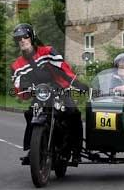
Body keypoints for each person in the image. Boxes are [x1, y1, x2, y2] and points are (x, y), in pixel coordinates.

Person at [11, 23, 85, 165]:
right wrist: (25, 91)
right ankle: (33, 149)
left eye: (25, 37)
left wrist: (78, 84)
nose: (22, 40)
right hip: (40, 94)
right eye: (18, 38)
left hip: (59, 90)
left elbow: (64, 69)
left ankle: (76, 151)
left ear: (32, 37)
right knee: (30, 113)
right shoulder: (17, 65)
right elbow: (18, 86)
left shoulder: (48, 51)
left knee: (73, 113)